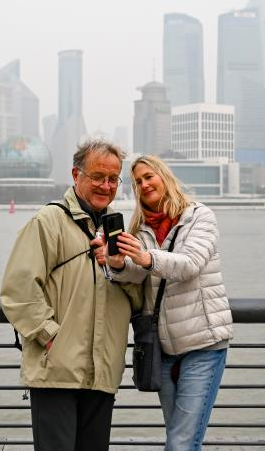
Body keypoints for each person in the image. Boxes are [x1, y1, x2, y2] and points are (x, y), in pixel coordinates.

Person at [0, 139, 141, 451]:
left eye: (113, 179)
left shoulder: (118, 231)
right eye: (97, 177)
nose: (106, 186)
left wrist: (122, 266)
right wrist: (50, 336)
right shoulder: (48, 221)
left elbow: (138, 298)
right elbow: (18, 289)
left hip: (102, 372)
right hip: (57, 370)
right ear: (76, 175)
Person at [98, 154, 233, 451]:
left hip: (203, 345)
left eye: (149, 177)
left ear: (164, 177)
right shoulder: (141, 228)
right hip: (164, 350)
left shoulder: (199, 216)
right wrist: (117, 263)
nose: (144, 185)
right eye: (137, 182)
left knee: (181, 442)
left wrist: (146, 257)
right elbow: (137, 274)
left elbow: (190, 264)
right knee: (180, 439)